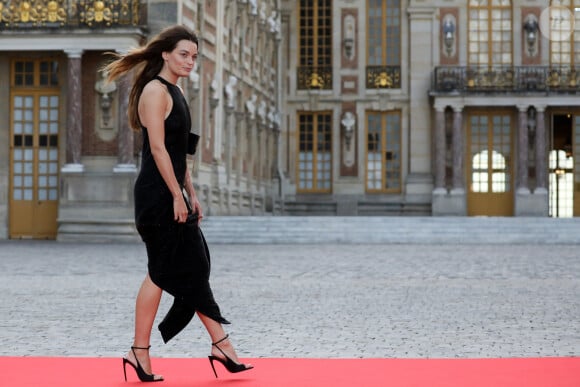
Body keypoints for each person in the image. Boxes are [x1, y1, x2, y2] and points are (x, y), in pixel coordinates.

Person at [103, 25, 253, 382]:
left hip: (172, 191)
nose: (190, 61)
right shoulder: (154, 91)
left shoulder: (177, 91)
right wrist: (175, 195)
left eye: (195, 56)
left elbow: (180, 151)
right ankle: (215, 344)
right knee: (175, 268)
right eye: (184, 54)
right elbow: (157, 149)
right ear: (166, 54)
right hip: (156, 195)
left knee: (181, 268)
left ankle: (147, 352)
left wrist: (191, 191)